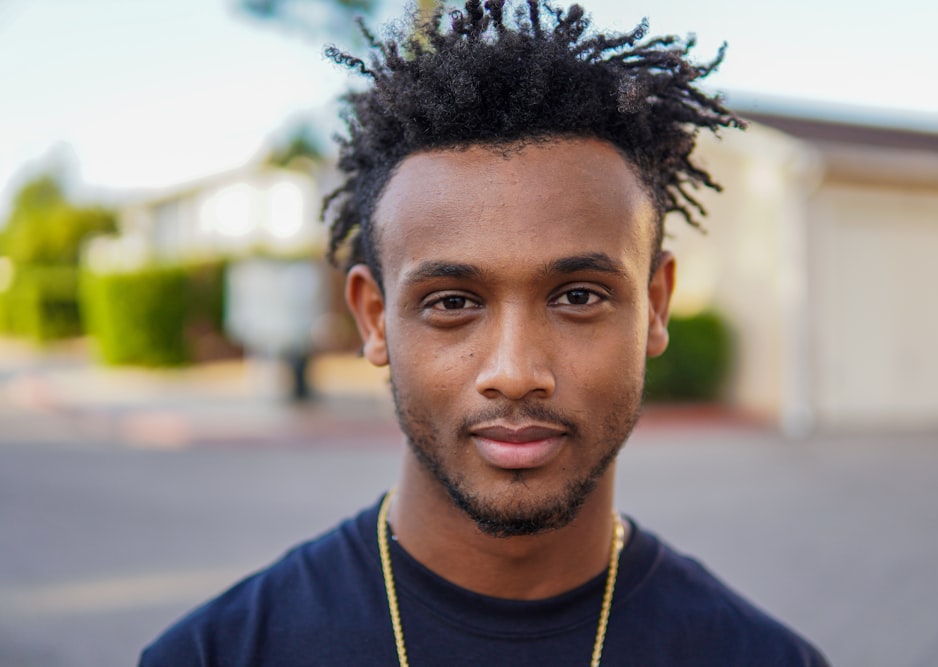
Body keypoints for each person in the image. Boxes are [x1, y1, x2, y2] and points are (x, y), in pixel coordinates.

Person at [140, 1, 829, 664]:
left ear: (654, 305)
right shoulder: (217, 654)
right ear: (374, 320)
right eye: (451, 302)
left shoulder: (764, 657)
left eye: (579, 295)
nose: (515, 369)